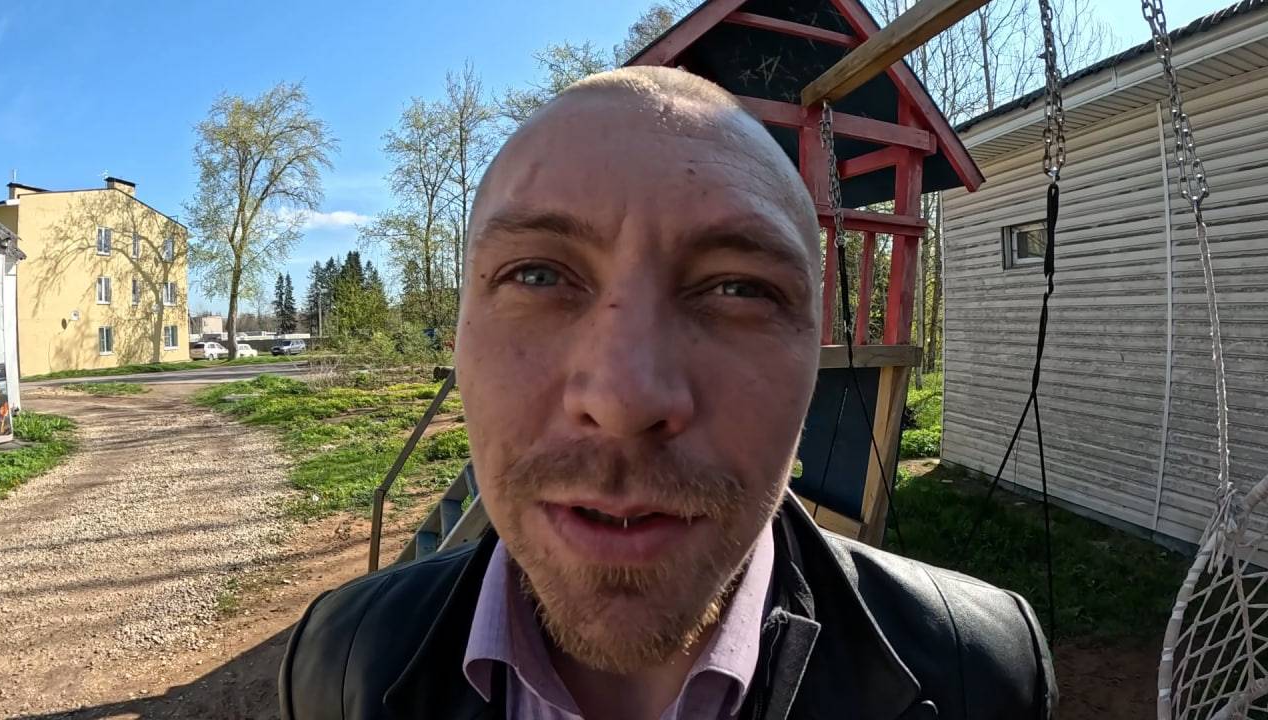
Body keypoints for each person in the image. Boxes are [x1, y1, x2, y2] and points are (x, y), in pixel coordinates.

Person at [280, 66, 1055, 720]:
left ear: (814, 356)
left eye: (738, 288)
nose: (624, 401)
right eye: (538, 275)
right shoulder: (337, 664)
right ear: (458, 336)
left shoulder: (983, 675)